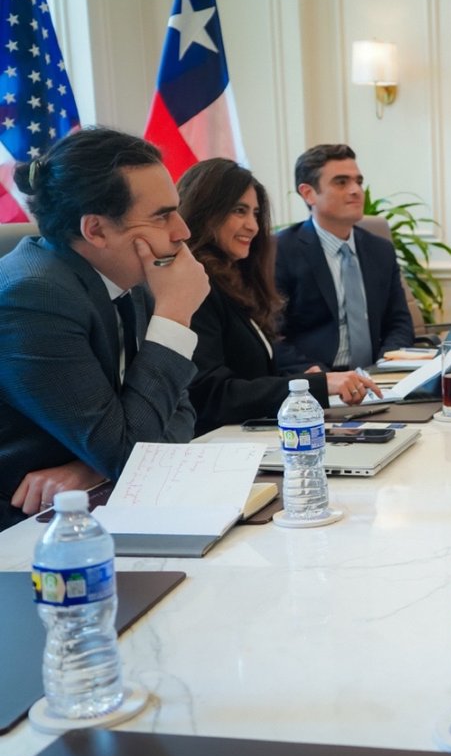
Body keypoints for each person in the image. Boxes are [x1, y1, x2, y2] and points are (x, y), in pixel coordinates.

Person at [0, 128, 210, 529]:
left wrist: (92, 467)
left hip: (95, 502)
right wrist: (175, 315)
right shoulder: (32, 298)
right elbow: (134, 455)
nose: (182, 231)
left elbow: (180, 411)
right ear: (95, 230)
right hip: (26, 532)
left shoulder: (127, 278)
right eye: (162, 215)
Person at [177, 159, 381, 436]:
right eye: (239, 211)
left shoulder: (233, 280)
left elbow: (253, 375)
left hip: (254, 435)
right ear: (206, 211)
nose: (253, 226)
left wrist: (302, 382)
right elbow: (214, 396)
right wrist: (314, 384)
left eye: (255, 213)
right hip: (218, 447)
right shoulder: (194, 286)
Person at [274, 144, 414, 372]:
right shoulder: (281, 251)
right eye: (341, 182)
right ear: (308, 193)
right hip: (317, 381)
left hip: (377, 376)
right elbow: (273, 335)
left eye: (358, 181)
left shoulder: (380, 249)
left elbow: (399, 323)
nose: (356, 190)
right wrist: (322, 379)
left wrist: (384, 369)